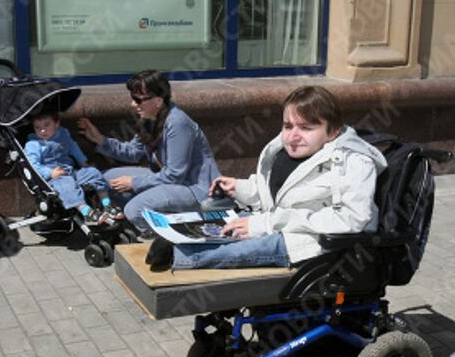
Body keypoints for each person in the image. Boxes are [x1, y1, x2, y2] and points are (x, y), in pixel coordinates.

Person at [145, 85, 388, 271]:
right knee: (218, 223)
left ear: (333, 131)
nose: (293, 135)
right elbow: (271, 193)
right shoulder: (283, 150)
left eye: (306, 128)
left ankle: (178, 255)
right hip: (275, 223)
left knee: (243, 249)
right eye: (287, 125)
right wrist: (240, 188)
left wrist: (264, 224)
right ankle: (177, 236)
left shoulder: (354, 162)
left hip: (313, 244)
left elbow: (351, 219)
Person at [77, 69, 220, 234]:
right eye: (132, 98)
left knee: (134, 210)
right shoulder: (150, 118)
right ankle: (142, 215)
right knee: (103, 179)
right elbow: (133, 152)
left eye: (138, 100)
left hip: (194, 189)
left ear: (158, 101)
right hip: (167, 179)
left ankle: (173, 229)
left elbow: (175, 175)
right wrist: (100, 140)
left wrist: (134, 182)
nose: (133, 104)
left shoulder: (177, 124)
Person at [26, 111, 123, 225]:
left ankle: (107, 204)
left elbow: (73, 147)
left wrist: (83, 162)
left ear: (57, 124)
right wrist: (50, 173)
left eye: (47, 125)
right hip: (54, 178)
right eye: (38, 128)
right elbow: (33, 164)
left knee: (93, 173)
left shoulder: (63, 134)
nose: (42, 131)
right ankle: (87, 212)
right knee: (67, 185)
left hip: (70, 171)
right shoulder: (34, 144)